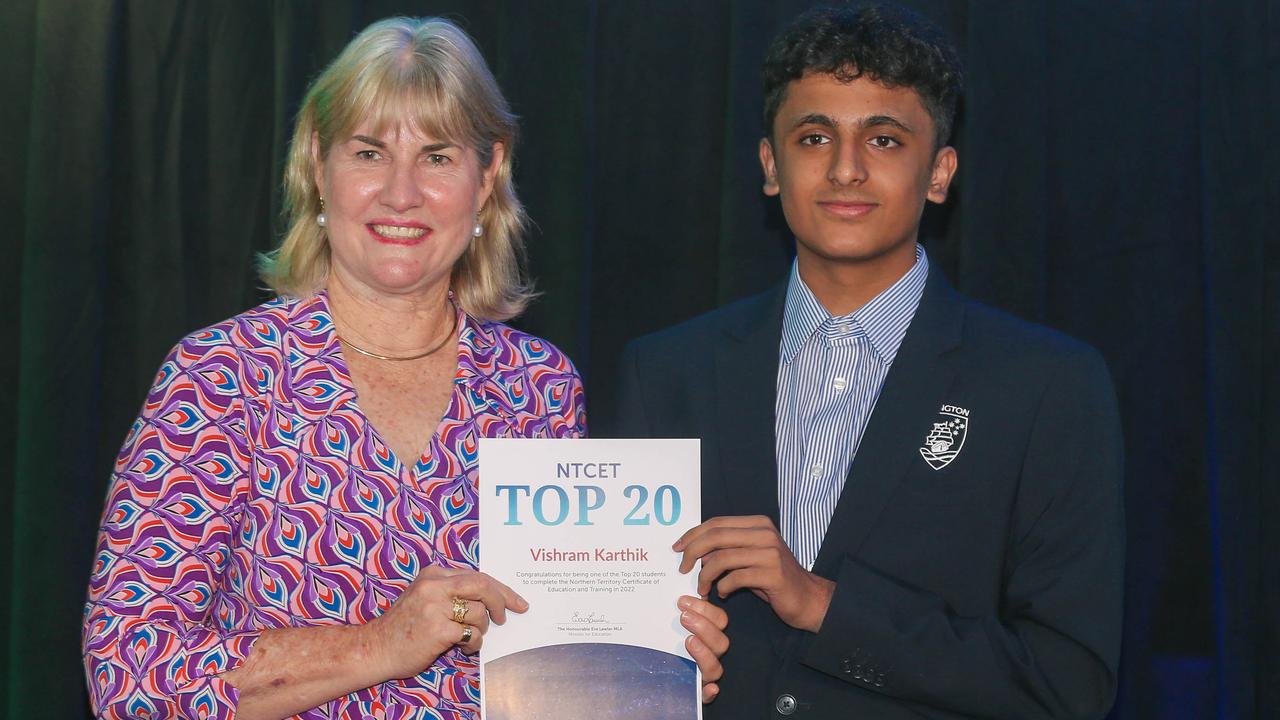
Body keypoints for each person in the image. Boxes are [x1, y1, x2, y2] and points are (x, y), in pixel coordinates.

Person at [83, 17, 727, 720]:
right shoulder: (220, 376)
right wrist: (379, 643)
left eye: (438, 156)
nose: (401, 192)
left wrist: (644, 671)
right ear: (317, 168)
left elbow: (548, 664)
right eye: (368, 153)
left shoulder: (538, 385)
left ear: (488, 179)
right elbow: (128, 672)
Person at [613, 4, 1124, 719]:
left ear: (940, 172)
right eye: (815, 136)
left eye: (883, 140)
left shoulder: (1046, 386)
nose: (846, 168)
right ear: (771, 165)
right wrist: (648, 675)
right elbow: (620, 638)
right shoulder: (666, 372)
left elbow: (1069, 684)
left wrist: (826, 605)